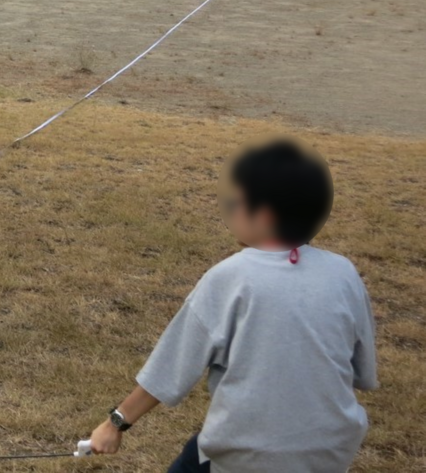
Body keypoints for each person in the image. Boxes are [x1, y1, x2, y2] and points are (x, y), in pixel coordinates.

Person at [86, 138, 378, 473]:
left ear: (264, 214)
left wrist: (114, 425)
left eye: (235, 202)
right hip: (332, 449)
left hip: (248, 454)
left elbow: (170, 367)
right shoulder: (344, 273)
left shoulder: (230, 277)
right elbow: (362, 370)